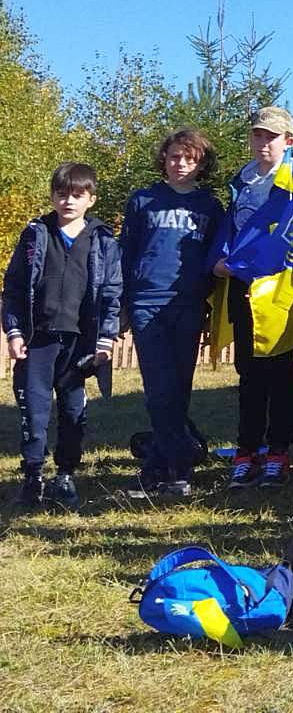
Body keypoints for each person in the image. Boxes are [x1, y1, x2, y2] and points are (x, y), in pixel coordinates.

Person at [5, 162, 121, 510]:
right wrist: (14, 332)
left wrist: (104, 341)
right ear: (52, 196)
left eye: (77, 194)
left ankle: (65, 475)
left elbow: (112, 292)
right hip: (37, 341)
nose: (68, 201)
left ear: (91, 199)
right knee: (34, 413)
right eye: (61, 193)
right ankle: (33, 477)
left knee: (73, 413)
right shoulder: (35, 235)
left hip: (79, 344)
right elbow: (14, 286)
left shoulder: (103, 240)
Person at [119, 129, 224, 499]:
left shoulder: (210, 207)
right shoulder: (143, 200)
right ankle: (176, 469)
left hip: (188, 305)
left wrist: (204, 298)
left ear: (201, 164)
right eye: (175, 156)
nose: (181, 164)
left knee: (179, 389)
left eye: (190, 158)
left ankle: (161, 466)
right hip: (147, 302)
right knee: (159, 390)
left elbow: (215, 259)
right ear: (164, 158)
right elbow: (125, 253)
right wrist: (121, 304)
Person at [216, 107, 293, 488]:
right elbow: (230, 229)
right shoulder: (242, 181)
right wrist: (220, 259)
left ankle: (279, 451)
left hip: (280, 288)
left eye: (272, 136)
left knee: (281, 373)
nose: (263, 143)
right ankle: (247, 450)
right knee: (249, 373)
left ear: (288, 141)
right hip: (243, 287)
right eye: (258, 135)